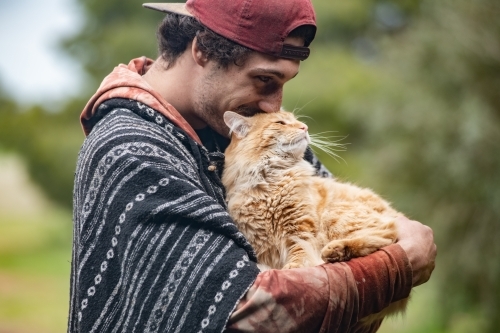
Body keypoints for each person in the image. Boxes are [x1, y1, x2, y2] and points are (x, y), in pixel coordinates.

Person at [68, 0, 437, 332]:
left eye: (284, 83)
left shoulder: (254, 127)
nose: (274, 106)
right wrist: (394, 267)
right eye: (264, 80)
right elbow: (240, 309)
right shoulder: (131, 148)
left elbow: (328, 233)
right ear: (202, 50)